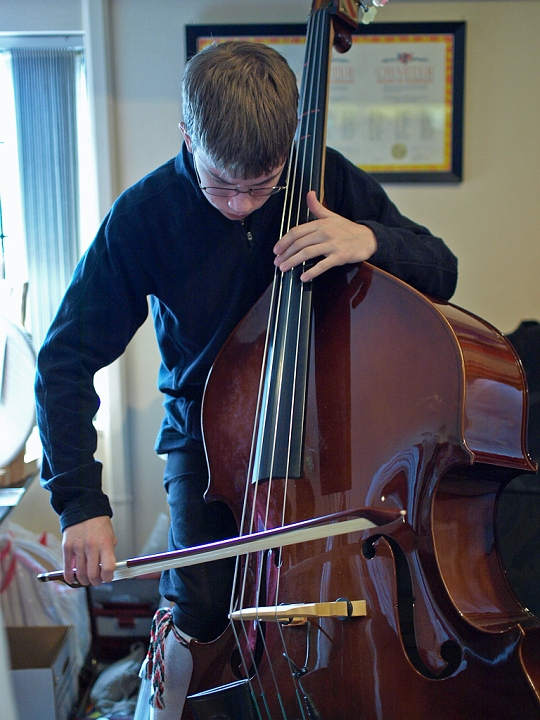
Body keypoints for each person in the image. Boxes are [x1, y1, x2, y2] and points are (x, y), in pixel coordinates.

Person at [35, 41, 458, 717]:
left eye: (259, 186)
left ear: (288, 147)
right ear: (185, 136)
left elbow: (443, 270)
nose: (238, 205)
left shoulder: (326, 181)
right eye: (220, 184)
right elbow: (64, 359)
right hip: (205, 441)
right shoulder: (145, 216)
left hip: (328, 434)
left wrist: (371, 241)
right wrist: (80, 502)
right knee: (201, 612)